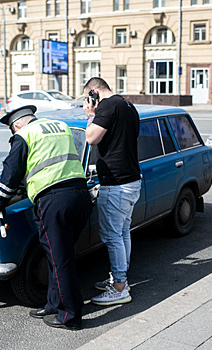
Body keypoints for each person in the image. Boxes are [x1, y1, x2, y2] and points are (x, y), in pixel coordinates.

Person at [0, 105, 91, 331]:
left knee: (60, 260)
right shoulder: (61, 127)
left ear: (16, 125)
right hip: (80, 196)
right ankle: (53, 305)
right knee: (58, 257)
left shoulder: (24, 135)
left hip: (54, 200)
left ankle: (70, 316)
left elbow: (11, 173)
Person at [82, 77, 141, 306]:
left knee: (112, 235)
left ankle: (119, 287)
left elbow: (90, 138)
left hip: (116, 183)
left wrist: (90, 114)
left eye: (88, 98)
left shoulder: (106, 106)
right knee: (123, 231)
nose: (88, 102)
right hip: (131, 179)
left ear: (94, 93)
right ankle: (121, 279)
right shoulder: (128, 105)